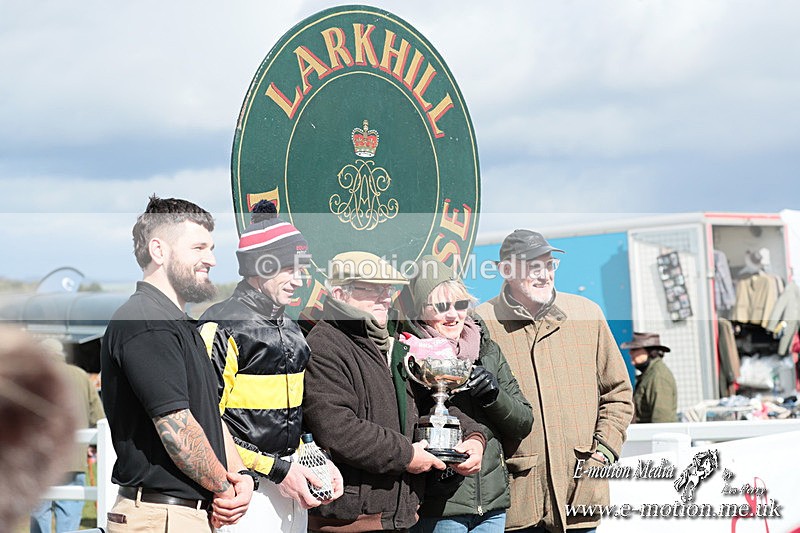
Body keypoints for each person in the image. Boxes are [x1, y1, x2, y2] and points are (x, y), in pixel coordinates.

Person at [302, 251, 486, 532]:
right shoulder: (325, 344)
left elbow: (431, 403)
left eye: (387, 289)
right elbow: (337, 428)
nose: (385, 297)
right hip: (347, 521)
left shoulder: (395, 342)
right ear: (339, 293)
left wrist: (472, 437)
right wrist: (407, 456)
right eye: (373, 290)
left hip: (400, 518)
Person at [100, 195, 253, 532]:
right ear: (159, 251)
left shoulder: (181, 326)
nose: (211, 259)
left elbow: (206, 416)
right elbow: (178, 430)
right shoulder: (145, 322)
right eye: (198, 248)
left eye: (211, 248)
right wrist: (226, 490)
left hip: (181, 516)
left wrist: (240, 476)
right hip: (159, 517)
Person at [475, 229, 633, 533]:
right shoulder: (482, 323)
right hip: (516, 500)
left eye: (549, 265)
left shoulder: (587, 314)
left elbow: (619, 394)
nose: (544, 274)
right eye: (532, 266)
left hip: (581, 491)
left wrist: (602, 454)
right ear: (505, 271)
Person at [198, 200, 343, 533]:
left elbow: (289, 421)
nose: (299, 279)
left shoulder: (292, 330)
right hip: (243, 496)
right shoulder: (219, 326)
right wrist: (277, 470)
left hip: (290, 490)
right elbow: (204, 423)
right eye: (290, 268)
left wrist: (318, 463)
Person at [402, 256, 533, 533]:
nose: (453, 315)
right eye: (440, 306)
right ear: (420, 309)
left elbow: (523, 422)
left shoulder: (487, 348)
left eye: (460, 304)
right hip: (439, 507)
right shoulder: (410, 353)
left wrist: (494, 396)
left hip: (492, 505)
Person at [0, 327, 78, 530]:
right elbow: (96, 412)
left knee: (40, 511)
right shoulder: (77, 376)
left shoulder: (29, 374)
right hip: (62, 454)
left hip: (28, 452)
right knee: (68, 510)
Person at [30, 338, 105, 533]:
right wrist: (92, 444)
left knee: (40, 514)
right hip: (73, 458)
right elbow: (98, 417)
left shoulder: (37, 377)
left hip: (42, 460)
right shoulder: (81, 376)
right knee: (69, 518)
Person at [620, 332, 678, 423]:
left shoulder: (658, 377)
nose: (630, 353)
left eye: (635, 349)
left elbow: (662, 420)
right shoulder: (649, 374)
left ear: (650, 351)